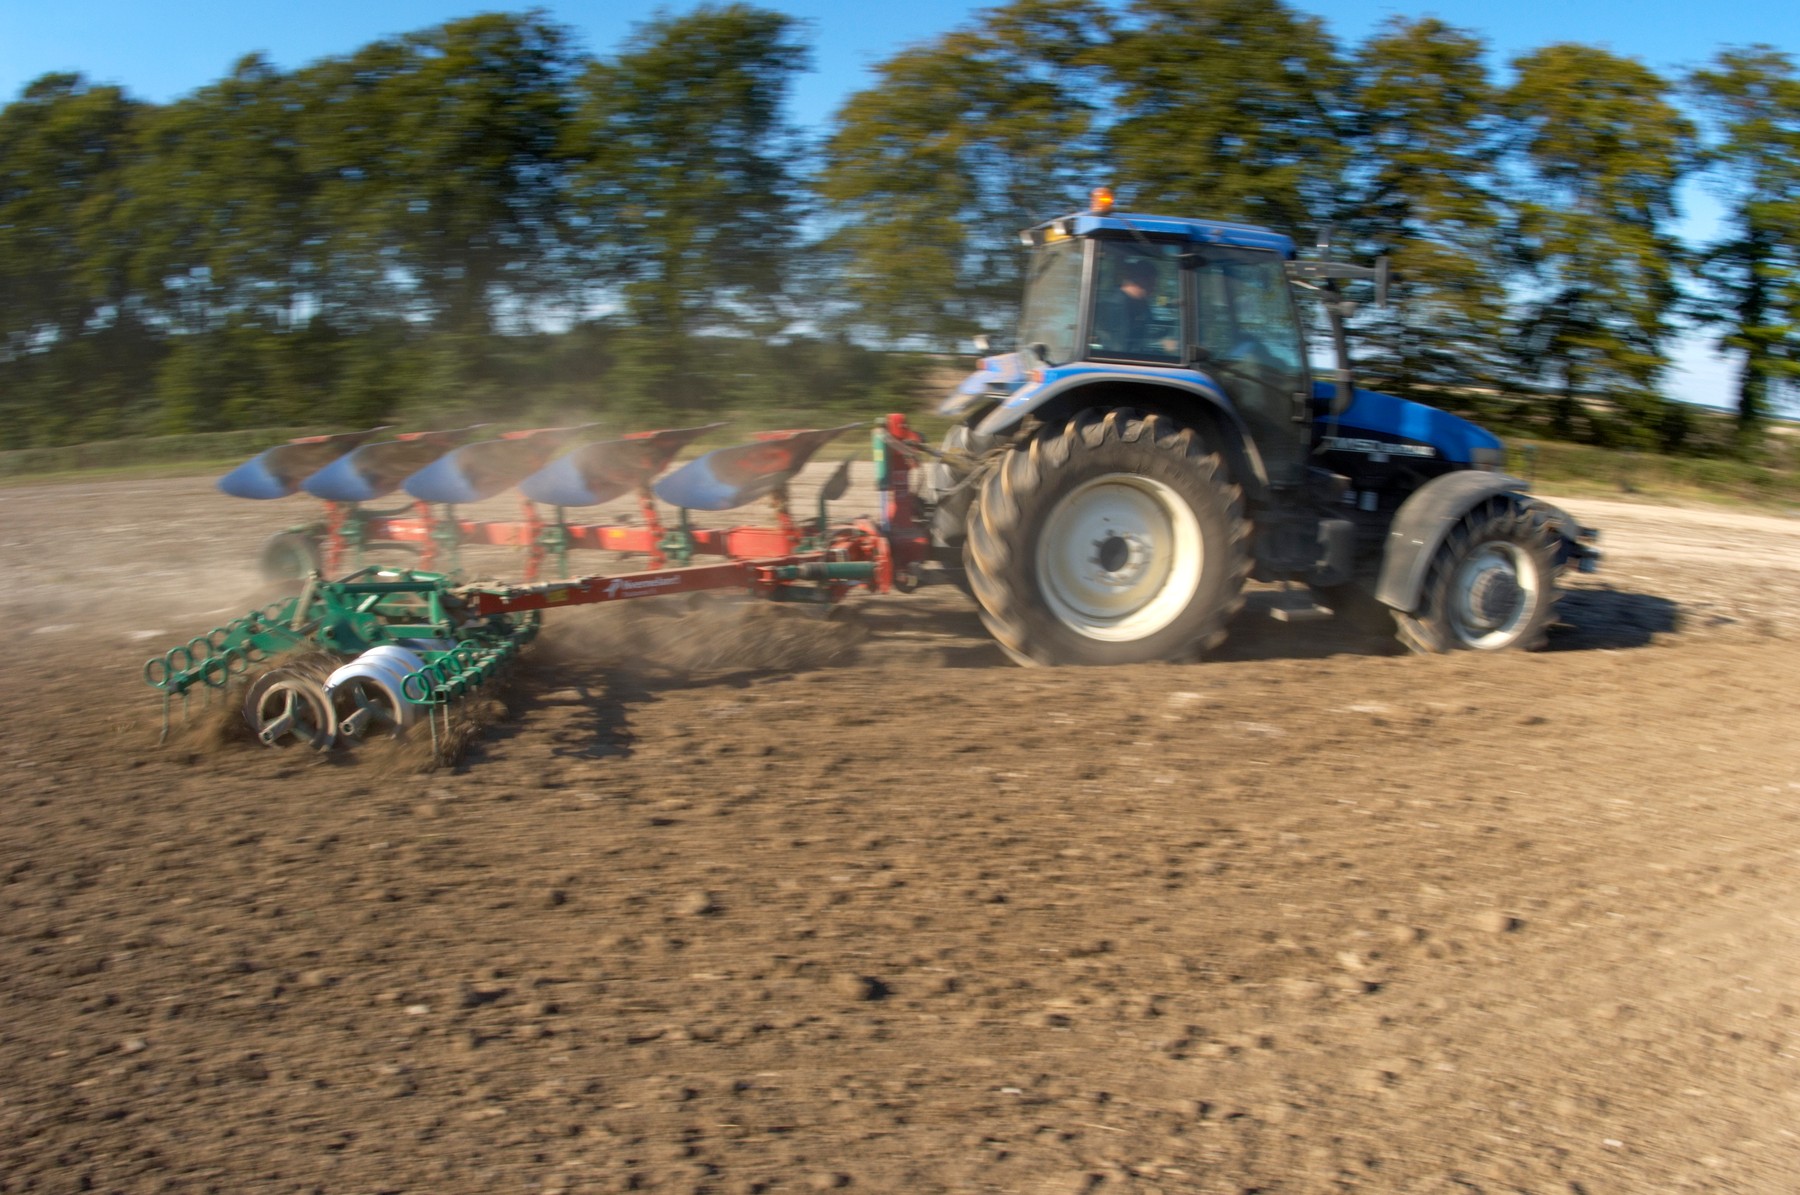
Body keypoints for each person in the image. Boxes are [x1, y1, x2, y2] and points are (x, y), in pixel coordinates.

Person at [1096, 257, 1177, 359]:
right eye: (1153, 283)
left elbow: (1143, 334)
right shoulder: (1114, 307)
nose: (1155, 288)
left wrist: (1163, 337)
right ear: (1141, 281)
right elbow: (1122, 350)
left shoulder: (1140, 304)